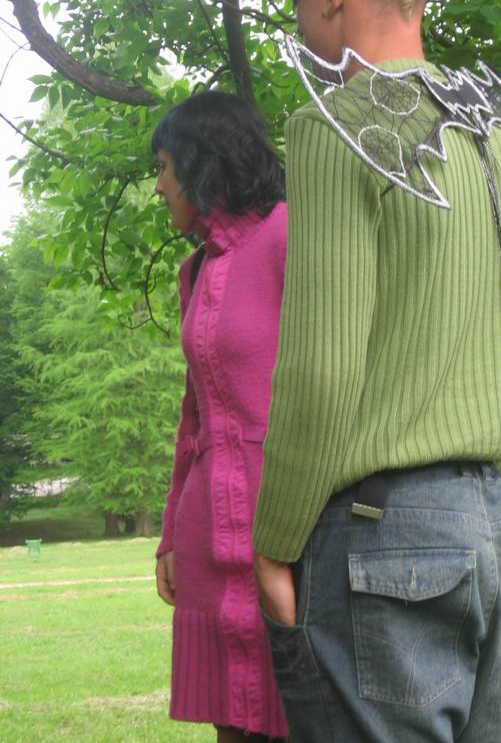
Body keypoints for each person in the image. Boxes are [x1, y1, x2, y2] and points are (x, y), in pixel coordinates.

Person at [235, 0, 501, 740]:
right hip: (486, 526)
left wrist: (272, 543)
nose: (296, 11)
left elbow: (320, 366)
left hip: (379, 535)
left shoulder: (336, 125)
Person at [153, 91, 288, 743]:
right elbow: (193, 417)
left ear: (199, 160)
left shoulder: (293, 235)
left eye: (163, 167)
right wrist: (169, 536)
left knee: (304, 714)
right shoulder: (193, 270)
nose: (159, 186)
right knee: (231, 727)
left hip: (288, 534)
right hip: (208, 535)